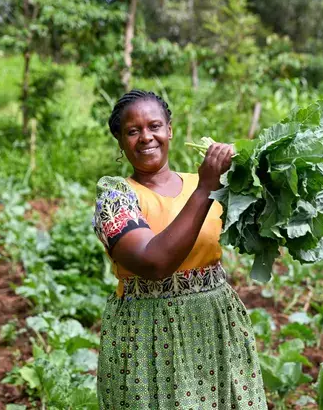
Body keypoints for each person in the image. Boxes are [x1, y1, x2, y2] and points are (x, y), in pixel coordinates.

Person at [92, 90, 267, 409]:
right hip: (147, 336)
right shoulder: (115, 198)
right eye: (132, 131)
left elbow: (261, 227)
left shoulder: (209, 184)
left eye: (154, 126)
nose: (146, 137)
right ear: (120, 141)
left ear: (170, 130)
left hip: (215, 327)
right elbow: (153, 262)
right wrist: (205, 188)